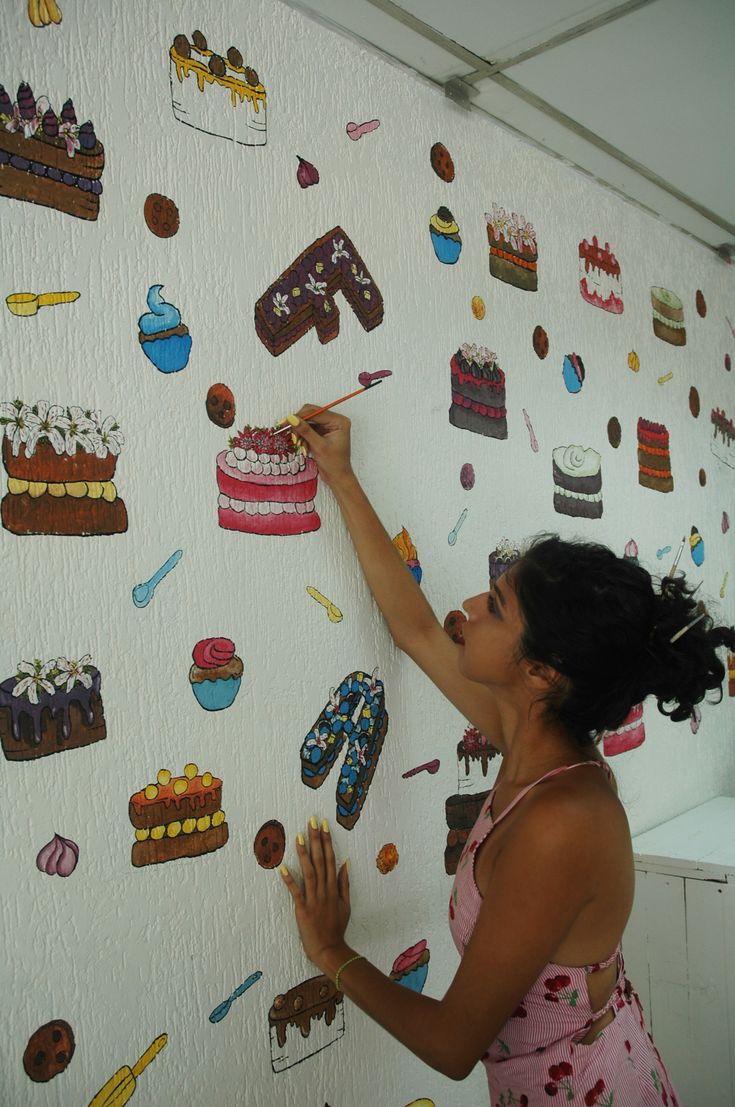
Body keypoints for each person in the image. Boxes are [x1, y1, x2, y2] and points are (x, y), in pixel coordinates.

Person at [279, 406, 734, 1105]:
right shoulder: (530, 736)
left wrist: (330, 952)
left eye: (494, 604)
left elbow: (451, 1043)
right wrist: (340, 474)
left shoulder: (561, 824)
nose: (467, 604)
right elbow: (416, 628)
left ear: (542, 671)